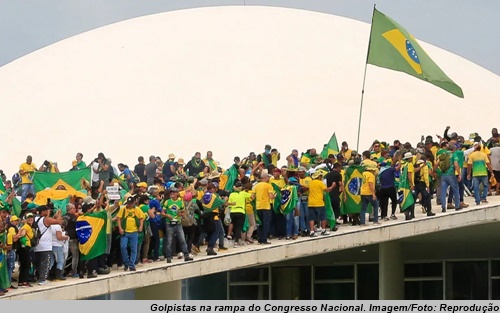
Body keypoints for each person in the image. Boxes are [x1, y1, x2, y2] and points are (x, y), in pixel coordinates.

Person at [161, 187, 193, 263]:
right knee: (169, 240)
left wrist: (181, 214)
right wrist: (167, 216)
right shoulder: (167, 202)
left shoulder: (180, 202)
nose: (172, 193)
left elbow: (183, 211)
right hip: (169, 223)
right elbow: (162, 212)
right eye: (171, 192)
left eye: (173, 192)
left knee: (182, 239)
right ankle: (169, 257)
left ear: (177, 194)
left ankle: (186, 255)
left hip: (178, 223)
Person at [34, 205, 62, 285]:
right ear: (43, 211)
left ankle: (39, 277)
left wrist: (50, 215)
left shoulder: (35, 219)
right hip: (45, 246)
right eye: (47, 210)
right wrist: (59, 214)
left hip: (37, 245)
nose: (48, 211)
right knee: (45, 263)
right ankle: (43, 279)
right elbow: (59, 222)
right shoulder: (45, 219)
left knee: (39, 263)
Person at [117, 196, 145, 271]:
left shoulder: (137, 209)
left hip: (134, 231)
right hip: (125, 232)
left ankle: (131, 264)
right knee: (123, 246)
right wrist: (120, 228)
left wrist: (141, 226)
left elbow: (141, 218)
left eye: (130, 203)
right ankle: (126, 262)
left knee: (134, 249)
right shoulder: (123, 210)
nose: (129, 205)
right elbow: (119, 219)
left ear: (133, 203)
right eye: (128, 203)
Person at [307, 170, 335, 236]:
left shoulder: (311, 183)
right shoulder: (320, 183)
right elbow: (327, 190)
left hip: (310, 203)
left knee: (311, 218)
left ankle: (311, 231)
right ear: (319, 177)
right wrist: (333, 186)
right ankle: (323, 230)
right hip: (319, 203)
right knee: (323, 217)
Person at [251, 173, 275, 244]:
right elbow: (271, 196)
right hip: (266, 207)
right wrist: (275, 196)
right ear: (265, 178)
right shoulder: (268, 186)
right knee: (266, 224)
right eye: (268, 177)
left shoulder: (256, 186)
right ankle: (264, 239)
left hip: (258, 207)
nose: (269, 179)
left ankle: (259, 239)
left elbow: (252, 197)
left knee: (260, 224)